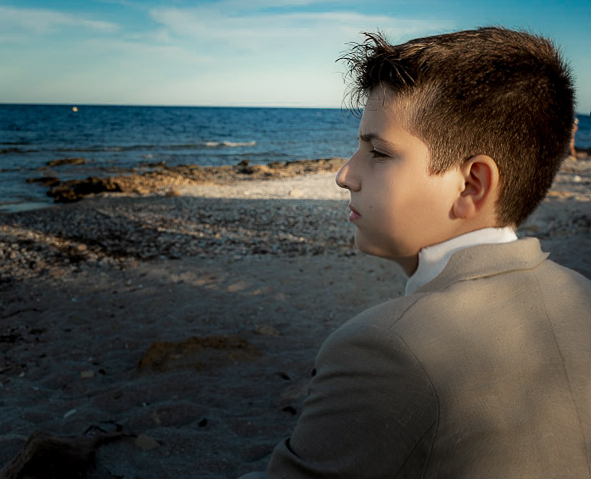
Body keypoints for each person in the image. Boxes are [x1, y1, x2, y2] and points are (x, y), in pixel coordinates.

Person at [240, 27, 591, 478]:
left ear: (471, 185)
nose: (345, 175)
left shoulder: (386, 348)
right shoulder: (582, 296)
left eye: (379, 153)